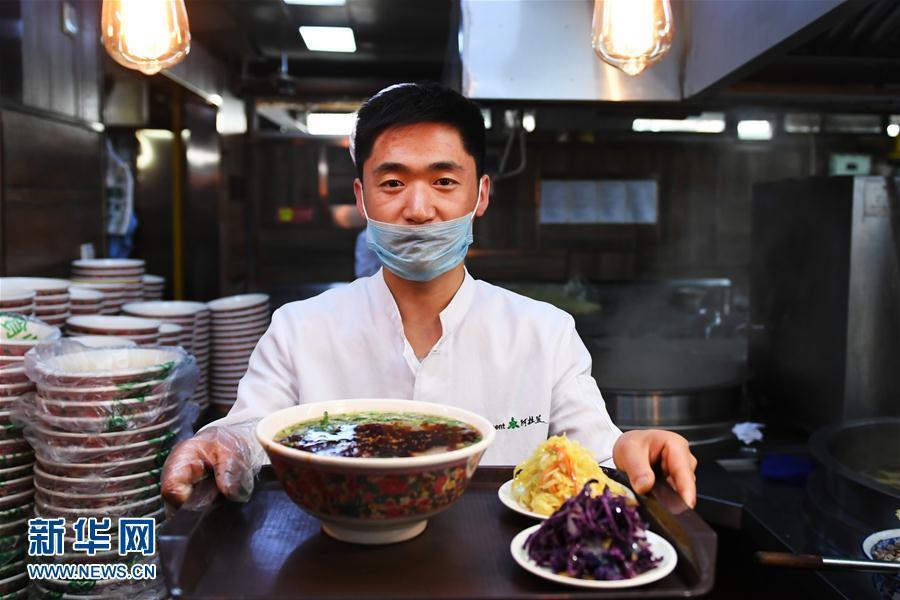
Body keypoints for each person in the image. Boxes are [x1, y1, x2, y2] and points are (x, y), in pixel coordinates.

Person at [162, 82, 697, 509]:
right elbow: (251, 428)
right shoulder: (301, 327)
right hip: (334, 569)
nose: (419, 209)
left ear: (480, 194)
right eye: (392, 183)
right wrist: (223, 443)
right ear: (362, 196)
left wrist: (630, 451)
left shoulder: (545, 332)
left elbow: (593, 453)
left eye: (444, 182)